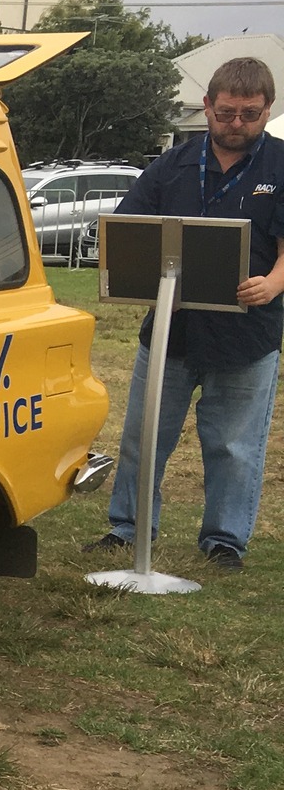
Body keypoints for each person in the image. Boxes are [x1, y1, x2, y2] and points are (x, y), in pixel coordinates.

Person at [90, 56, 284, 572]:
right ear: (206, 107)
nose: (237, 124)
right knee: (143, 436)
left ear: (268, 109)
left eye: (250, 114)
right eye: (226, 113)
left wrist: (273, 283)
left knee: (234, 447)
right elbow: (129, 228)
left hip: (247, 338)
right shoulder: (172, 164)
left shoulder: (280, 165)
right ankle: (127, 528)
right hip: (171, 333)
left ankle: (224, 542)